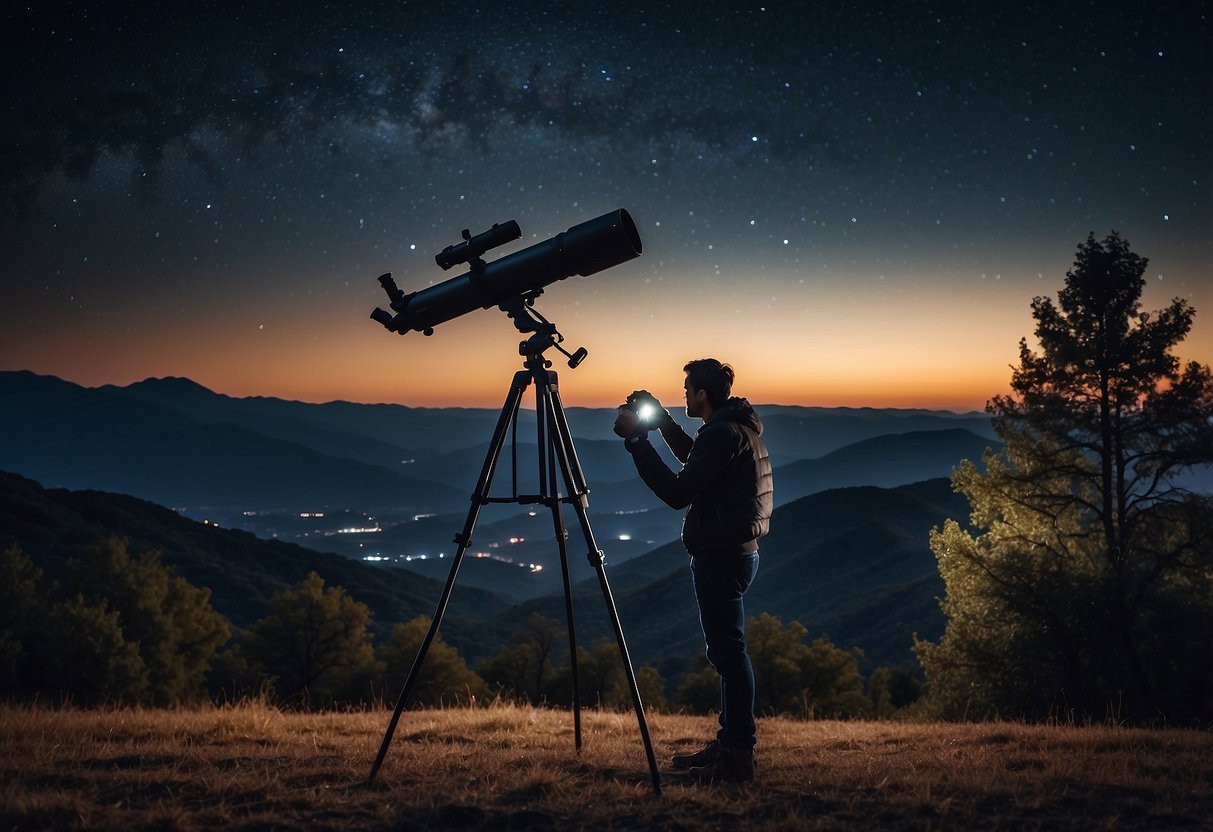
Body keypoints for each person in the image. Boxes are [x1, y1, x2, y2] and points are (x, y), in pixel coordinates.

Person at [613, 358, 772, 784]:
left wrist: (637, 443)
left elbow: (678, 492)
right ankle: (729, 742)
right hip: (739, 552)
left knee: (729, 656)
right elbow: (696, 457)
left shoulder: (722, 432)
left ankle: (737, 758)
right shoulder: (735, 428)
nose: (684, 395)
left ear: (702, 394)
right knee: (728, 655)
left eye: (687, 390)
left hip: (721, 557)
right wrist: (663, 420)